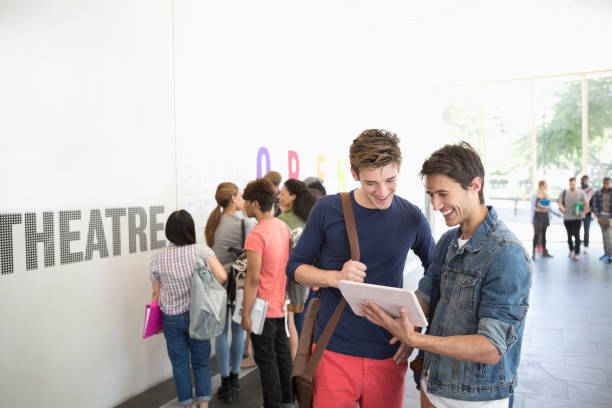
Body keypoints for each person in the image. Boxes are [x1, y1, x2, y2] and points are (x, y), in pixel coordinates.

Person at [361, 142, 532, 408]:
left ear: (475, 185)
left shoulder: (506, 253)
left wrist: (415, 339)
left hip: (476, 398)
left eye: (443, 194)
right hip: (432, 383)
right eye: (430, 195)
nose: (436, 204)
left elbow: (490, 348)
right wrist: (389, 312)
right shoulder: (447, 241)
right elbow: (425, 296)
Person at [287, 129, 435, 408]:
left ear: (399, 169)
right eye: (371, 183)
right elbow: (294, 267)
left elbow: (438, 273)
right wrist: (335, 277)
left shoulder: (411, 216)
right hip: (333, 350)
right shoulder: (327, 209)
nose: (382, 192)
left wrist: (414, 328)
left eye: (390, 180)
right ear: (354, 174)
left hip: (388, 353)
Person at [150, 210, 228, 408]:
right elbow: (222, 276)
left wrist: (156, 322)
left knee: (179, 364)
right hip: (199, 315)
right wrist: (203, 286)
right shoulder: (201, 251)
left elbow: (155, 295)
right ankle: (203, 406)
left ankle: (186, 405)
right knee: (201, 362)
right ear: (190, 229)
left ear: (169, 232)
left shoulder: (158, 257)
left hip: (171, 319)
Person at [240, 178, 294, 408]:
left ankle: (272, 404)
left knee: (266, 360)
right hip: (280, 305)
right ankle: (287, 401)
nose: (242, 204)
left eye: (245, 201)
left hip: (262, 309)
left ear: (254, 203)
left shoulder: (256, 235)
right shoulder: (282, 227)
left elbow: (253, 279)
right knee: (282, 356)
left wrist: (245, 313)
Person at [204, 182, 256, 402]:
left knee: (220, 333)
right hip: (238, 287)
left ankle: (225, 382)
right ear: (233, 198)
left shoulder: (212, 223)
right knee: (238, 331)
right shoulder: (246, 223)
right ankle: (235, 379)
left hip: (216, 286)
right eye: (240, 195)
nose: (242, 198)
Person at [277, 179, 317, 347]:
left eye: (283, 193)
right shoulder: (310, 215)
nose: (279, 196)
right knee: (310, 318)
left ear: (293, 196)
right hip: (315, 277)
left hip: (296, 280)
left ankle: (300, 361)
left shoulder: (283, 221)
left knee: (297, 321)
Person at [558, 177, 588, 260]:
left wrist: (583, 212)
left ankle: (577, 253)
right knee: (569, 235)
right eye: (571, 184)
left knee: (577, 235)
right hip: (567, 218)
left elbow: (586, 204)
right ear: (569, 183)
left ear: (576, 184)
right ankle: (571, 249)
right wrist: (562, 208)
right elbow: (560, 202)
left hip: (577, 218)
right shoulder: (564, 192)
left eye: (574, 184)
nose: (572, 185)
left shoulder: (581, 193)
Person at [530, 180, 553, 260]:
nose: (547, 186)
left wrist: (546, 210)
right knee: (536, 235)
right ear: (542, 185)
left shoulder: (547, 195)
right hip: (537, 217)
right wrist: (543, 209)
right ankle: (533, 252)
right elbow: (533, 207)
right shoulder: (535, 195)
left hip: (545, 217)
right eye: (546, 185)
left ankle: (544, 251)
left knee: (544, 234)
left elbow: (549, 207)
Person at [592, 177, 612, 263]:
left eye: (607, 183)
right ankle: (606, 253)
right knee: (604, 236)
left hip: (610, 217)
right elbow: (594, 205)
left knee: (610, 237)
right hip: (601, 216)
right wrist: (598, 216)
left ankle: (610, 255)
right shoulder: (598, 193)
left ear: (610, 183)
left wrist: (611, 219)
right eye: (604, 183)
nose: (606, 185)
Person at [580, 175, 596, 253]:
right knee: (576, 230)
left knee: (586, 230)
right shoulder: (578, 189)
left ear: (588, 181)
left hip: (588, 213)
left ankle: (586, 246)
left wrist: (587, 210)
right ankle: (578, 243)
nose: (583, 182)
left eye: (585, 180)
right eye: (582, 180)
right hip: (578, 212)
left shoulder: (592, 190)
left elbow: (593, 203)